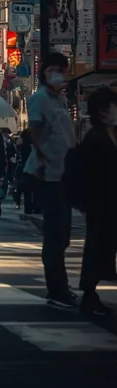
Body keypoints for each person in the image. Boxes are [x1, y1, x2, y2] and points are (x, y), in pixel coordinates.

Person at [25, 51, 77, 309]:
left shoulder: (62, 100)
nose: (57, 74)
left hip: (64, 172)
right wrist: (44, 156)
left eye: (61, 70)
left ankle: (60, 286)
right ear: (43, 72)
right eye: (52, 69)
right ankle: (56, 289)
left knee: (63, 234)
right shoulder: (39, 99)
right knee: (56, 234)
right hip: (47, 172)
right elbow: (34, 131)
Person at [75, 88, 117, 317]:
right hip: (100, 203)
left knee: (101, 247)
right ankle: (89, 293)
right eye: (113, 107)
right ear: (102, 111)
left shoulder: (110, 134)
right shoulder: (95, 138)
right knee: (97, 246)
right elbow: (88, 173)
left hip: (109, 201)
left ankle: (90, 293)